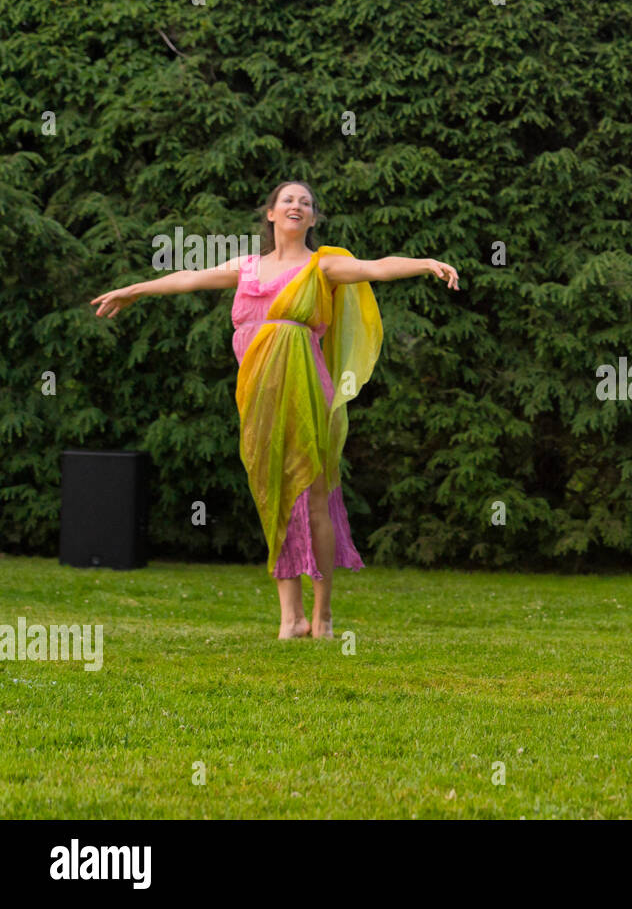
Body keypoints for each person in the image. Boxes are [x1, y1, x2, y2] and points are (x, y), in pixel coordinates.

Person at [90, 180, 459, 640]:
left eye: (305, 203)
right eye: (288, 200)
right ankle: (291, 617)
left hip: (308, 390)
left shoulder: (323, 266)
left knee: (317, 497)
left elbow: (376, 267)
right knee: (273, 494)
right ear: (270, 213)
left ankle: (322, 615)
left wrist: (425, 264)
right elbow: (188, 277)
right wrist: (137, 289)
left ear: (313, 219)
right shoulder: (247, 267)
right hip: (259, 394)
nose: (297, 206)